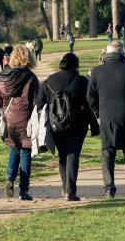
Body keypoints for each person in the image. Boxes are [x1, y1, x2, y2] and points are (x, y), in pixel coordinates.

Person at [87, 41, 125, 199]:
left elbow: (90, 97)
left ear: (106, 53)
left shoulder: (96, 71)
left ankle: (109, 188)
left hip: (107, 118)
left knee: (107, 153)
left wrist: (98, 113)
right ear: (122, 53)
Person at [36, 53, 98, 201]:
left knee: (63, 155)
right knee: (73, 154)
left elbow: (39, 104)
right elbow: (91, 103)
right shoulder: (82, 81)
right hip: (78, 125)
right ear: (76, 65)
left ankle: (65, 187)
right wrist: (94, 124)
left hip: (56, 125)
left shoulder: (49, 81)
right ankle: (70, 190)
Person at [0, 45, 40, 201]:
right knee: (25, 153)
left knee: (14, 149)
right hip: (26, 119)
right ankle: (23, 190)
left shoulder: (2, 77)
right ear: (29, 58)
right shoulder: (31, 78)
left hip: (9, 121)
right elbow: (36, 102)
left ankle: (9, 179)